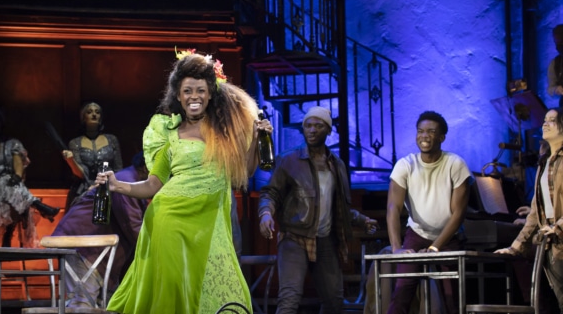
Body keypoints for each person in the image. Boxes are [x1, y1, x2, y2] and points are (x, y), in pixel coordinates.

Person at [93, 49, 272, 313]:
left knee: (219, 289)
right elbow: (154, 185)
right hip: (168, 219)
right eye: (187, 91)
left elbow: (244, 172)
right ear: (178, 95)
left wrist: (257, 139)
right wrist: (117, 185)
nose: (194, 97)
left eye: (200, 90)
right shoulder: (169, 135)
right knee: (173, 286)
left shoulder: (225, 133)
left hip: (208, 221)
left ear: (211, 94)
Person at [258, 106, 379, 314]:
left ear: (329, 130)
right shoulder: (289, 161)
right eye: (308, 125)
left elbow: (338, 206)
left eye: (318, 125)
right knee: (290, 298)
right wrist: (266, 213)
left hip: (325, 240)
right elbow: (271, 193)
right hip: (295, 238)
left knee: (334, 301)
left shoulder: (337, 165)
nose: (312, 130)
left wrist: (361, 219)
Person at [496, 107, 563, 314]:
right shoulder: (543, 164)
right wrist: (516, 246)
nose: (545, 124)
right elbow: (536, 212)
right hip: (551, 242)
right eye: (544, 120)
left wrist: (560, 225)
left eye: (552, 120)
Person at [385, 111, 472, 314]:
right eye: (420, 131)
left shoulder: (455, 164)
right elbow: (393, 208)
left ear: (441, 137)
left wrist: (435, 247)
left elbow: (458, 213)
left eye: (431, 132)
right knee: (402, 293)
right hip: (417, 234)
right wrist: (396, 248)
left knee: (453, 299)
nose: (424, 136)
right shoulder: (405, 165)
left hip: (448, 237)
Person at [51, 152, 149, 308]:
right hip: (84, 246)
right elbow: (133, 226)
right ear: (146, 167)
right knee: (82, 303)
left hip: (93, 249)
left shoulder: (131, 181)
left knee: (98, 304)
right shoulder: (126, 181)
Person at [0, 105, 60, 247]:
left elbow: (18, 166)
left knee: (8, 184)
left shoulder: (12, 143)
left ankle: (9, 232)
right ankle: (36, 204)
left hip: (10, 186)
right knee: (7, 186)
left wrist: (18, 176)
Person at [63, 102, 123, 208]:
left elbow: (119, 169)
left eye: (97, 112)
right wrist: (70, 160)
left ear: (101, 117)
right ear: (83, 117)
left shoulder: (112, 140)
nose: (94, 114)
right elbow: (81, 174)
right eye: (89, 112)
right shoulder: (75, 142)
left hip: (109, 188)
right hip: (83, 190)